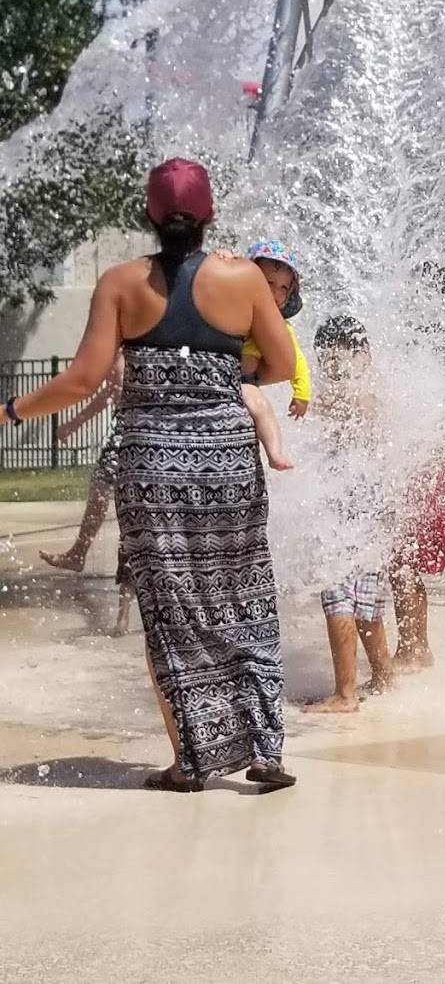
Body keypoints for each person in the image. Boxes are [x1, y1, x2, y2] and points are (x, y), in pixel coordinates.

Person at [1, 158, 297, 793]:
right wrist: (221, 384)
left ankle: (189, 761)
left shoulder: (119, 283)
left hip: (151, 468)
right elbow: (278, 361)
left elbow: (82, 380)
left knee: (171, 611)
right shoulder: (243, 278)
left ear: (150, 216)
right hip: (226, 462)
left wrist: (10, 410)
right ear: (209, 214)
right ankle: (266, 753)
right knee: (243, 594)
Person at [304, 315, 394, 714]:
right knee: (367, 602)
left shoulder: (347, 399)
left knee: (338, 596)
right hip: (371, 512)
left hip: (345, 513)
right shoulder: (372, 395)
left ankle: (345, 694)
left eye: (335, 355)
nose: (331, 364)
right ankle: (384, 675)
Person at [38, 354, 134, 634]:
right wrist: (74, 423)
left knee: (131, 522)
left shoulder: (136, 348)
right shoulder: (123, 350)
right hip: (124, 436)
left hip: (144, 438)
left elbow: (108, 389)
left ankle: (124, 613)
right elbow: (108, 394)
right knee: (101, 490)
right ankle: (79, 553)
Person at [238, 240, 312, 471]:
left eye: (283, 288)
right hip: (217, 374)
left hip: (244, 380)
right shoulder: (234, 307)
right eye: (268, 283)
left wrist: (302, 393)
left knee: (261, 406)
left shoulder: (280, 325)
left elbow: (297, 359)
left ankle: (275, 452)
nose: (276, 293)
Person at [390, 465, 445, 673]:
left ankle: (408, 651)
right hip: (437, 480)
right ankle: (420, 646)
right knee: (408, 566)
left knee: (400, 567)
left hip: (417, 484)